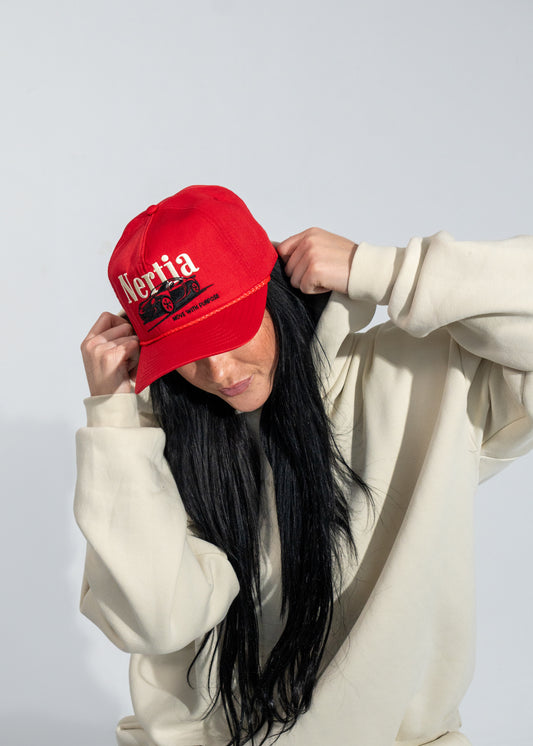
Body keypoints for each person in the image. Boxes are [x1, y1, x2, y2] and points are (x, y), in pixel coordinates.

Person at [75, 185, 533, 746]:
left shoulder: (430, 375)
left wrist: (388, 271)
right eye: (187, 353)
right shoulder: (162, 443)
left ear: (271, 293)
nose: (220, 373)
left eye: (229, 330)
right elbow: (154, 620)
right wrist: (115, 420)